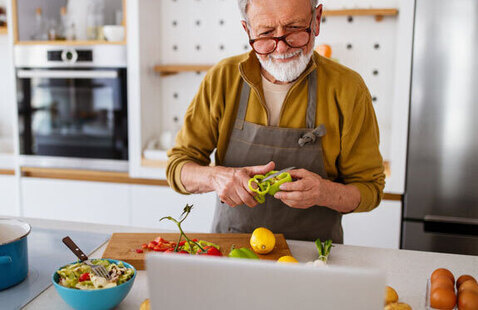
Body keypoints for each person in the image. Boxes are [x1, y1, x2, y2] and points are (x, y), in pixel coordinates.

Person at [166, 0, 385, 242]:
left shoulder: (348, 89)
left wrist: (325, 192)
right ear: (247, 30)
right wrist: (216, 177)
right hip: (232, 251)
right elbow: (178, 167)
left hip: (314, 258)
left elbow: (370, 188)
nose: (281, 48)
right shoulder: (223, 78)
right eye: (266, 33)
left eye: (294, 28)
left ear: (317, 19)